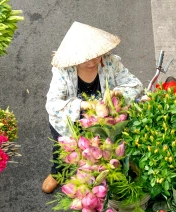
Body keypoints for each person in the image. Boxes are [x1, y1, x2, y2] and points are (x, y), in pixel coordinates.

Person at [43, 22, 144, 193]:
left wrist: (117, 94)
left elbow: (135, 85)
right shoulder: (62, 71)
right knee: (61, 149)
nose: (93, 62)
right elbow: (52, 104)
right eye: (86, 59)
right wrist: (84, 105)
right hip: (70, 122)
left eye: (96, 56)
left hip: (103, 121)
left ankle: (102, 174)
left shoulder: (110, 63)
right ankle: (57, 173)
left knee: (103, 150)